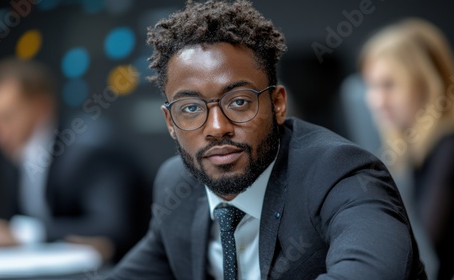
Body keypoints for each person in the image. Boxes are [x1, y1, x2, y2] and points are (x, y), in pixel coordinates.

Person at [110, 1, 427, 279]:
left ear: (277, 104)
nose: (218, 127)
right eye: (191, 108)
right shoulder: (176, 184)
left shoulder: (340, 174)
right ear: (170, 122)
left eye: (238, 102)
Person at [0, 57, 152, 262]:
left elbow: (111, 228)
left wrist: (23, 233)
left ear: (42, 105)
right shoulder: (16, 152)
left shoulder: (91, 150)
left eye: (7, 117)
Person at [359, 18, 454, 280]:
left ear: (426, 85)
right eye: (371, 86)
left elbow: (423, 254)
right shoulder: (411, 153)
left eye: (389, 85)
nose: (376, 100)